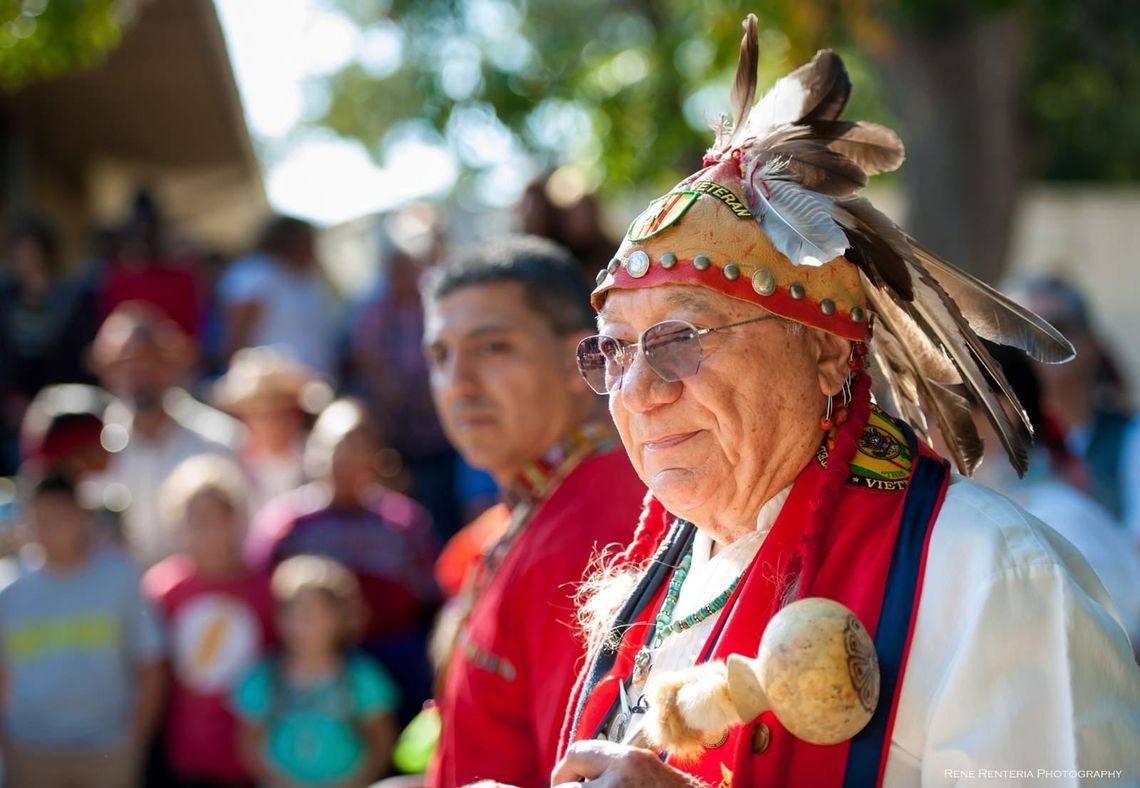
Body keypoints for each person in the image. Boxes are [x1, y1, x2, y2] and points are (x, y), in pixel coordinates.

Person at [553, 19, 1140, 786]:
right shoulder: (660, 579)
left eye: (680, 338)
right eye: (616, 349)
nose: (637, 390)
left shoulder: (991, 574)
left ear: (828, 352)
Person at [420, 235, 646, 787]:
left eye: (491, 347)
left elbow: (576, 774)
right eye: (440, 355)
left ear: (581, 361)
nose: (458, 383)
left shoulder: (592, 531)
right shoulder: (539, 503)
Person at [247, 398, 438, 724]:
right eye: (333, 449)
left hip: (391, 659)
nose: (343, 461)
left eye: (356, 449)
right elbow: (260, 598)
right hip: (308, 664)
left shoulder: (404, 523)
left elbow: (428, 599)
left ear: (376, 459)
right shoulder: (287, 524)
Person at [0, 472, 163, 788]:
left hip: (108, 748)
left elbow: (151, 662)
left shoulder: (120, 576)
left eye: (60, 516)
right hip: (31, 749)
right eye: (41, 517)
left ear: (82, 515)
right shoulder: (9, 589)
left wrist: (135, 740)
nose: (51, 528)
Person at [144, 454, 275, 787]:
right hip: (183, 755)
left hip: (249, 758)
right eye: (193, 518)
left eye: (215, 516)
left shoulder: (265, 589)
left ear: (236, 518)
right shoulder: (162, 589)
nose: (205, 529)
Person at [90, 301, 241, 566]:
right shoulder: (91, 446)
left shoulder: (219, 439)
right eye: (126, 363)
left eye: (149, 360)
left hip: (199, 600)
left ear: (174, 365)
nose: (138, 373)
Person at [232, 555, 399, 787]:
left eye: (314, 613)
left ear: (341, 618)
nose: (303, 623)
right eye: (294, 612)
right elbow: (249, 743)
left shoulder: (362, 678)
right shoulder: (263, 678)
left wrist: (356, 781)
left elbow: (382, 742)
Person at [1011, 276, 1140, 542]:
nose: (1038, 344)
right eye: (1021, 331)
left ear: (1090, 343)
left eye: (1056, 327)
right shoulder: (997, 446)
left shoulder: (1132, 438)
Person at [0, 218, 99, 475]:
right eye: (21, 252)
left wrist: (53, 401)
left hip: (66, 410)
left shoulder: (74, 299)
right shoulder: (5, 299)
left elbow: (81, 355)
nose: (28, 259)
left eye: (34, 251)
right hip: (15, 411)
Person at [214, 346, 329, 517]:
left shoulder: (320, 463)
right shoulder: (228, 465)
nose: (273, 422)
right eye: (260, 413)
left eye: (281, 410)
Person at [219, 216, 338, 377]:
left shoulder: (304, 278)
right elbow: (237, 337)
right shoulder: (255, 274)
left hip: (313, 383)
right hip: (267, 387)